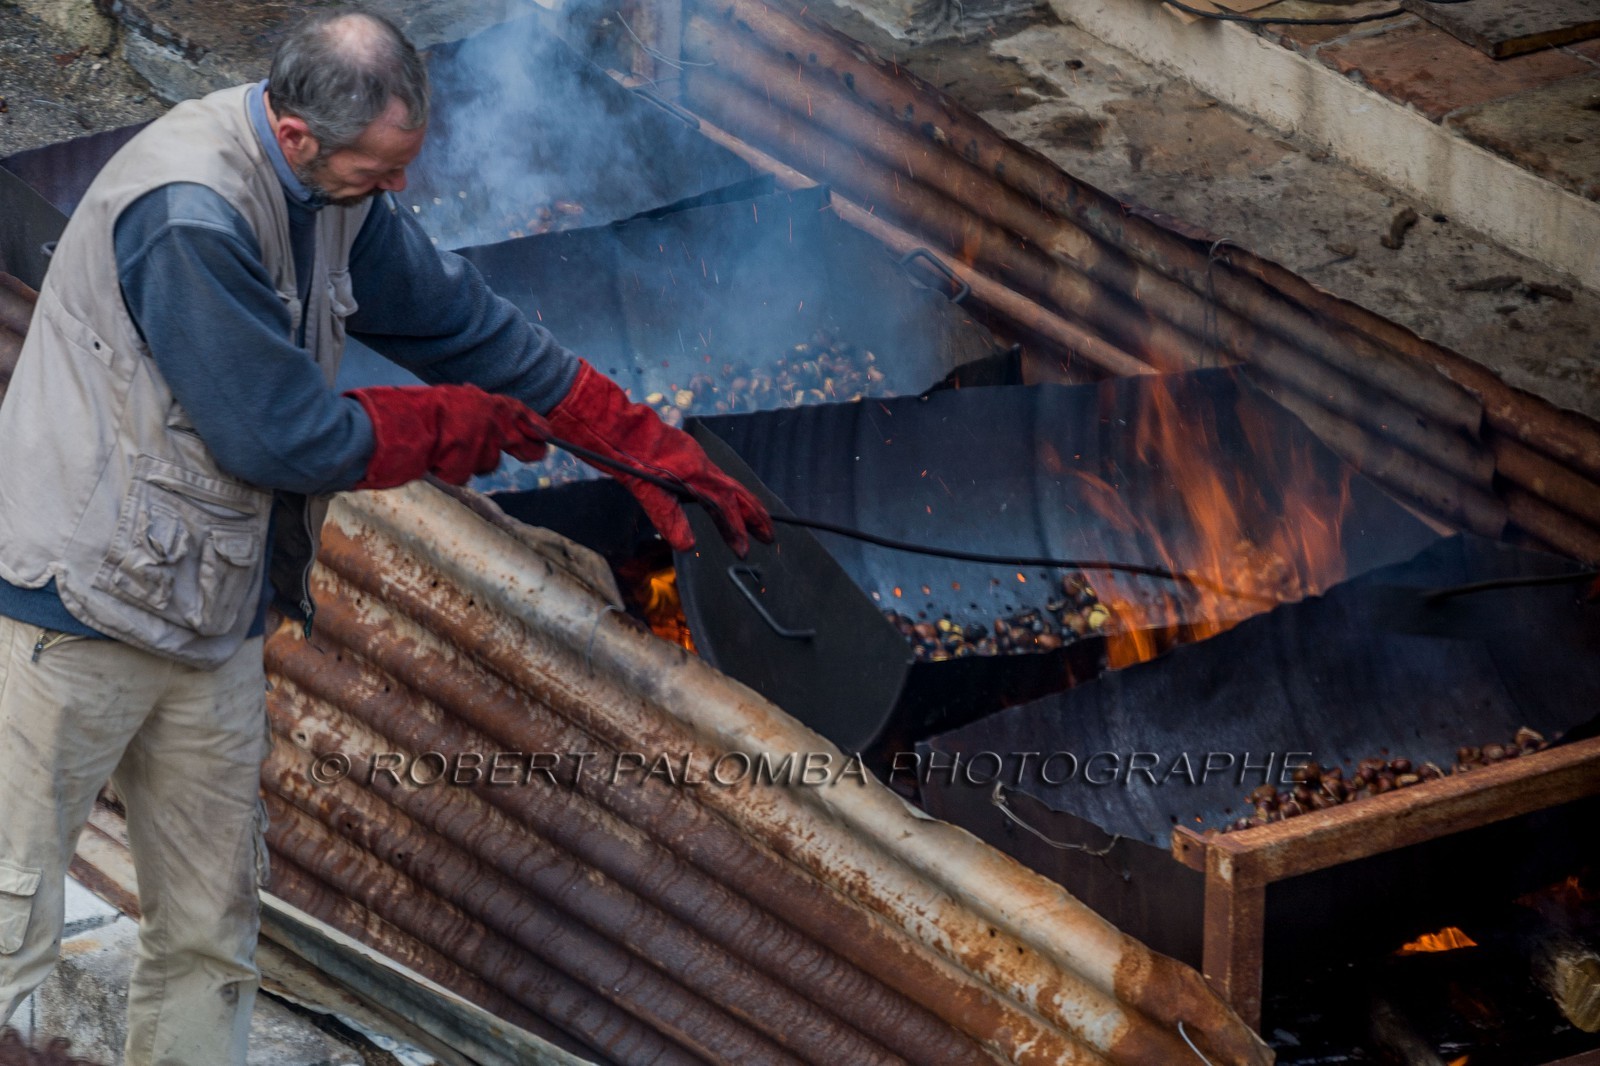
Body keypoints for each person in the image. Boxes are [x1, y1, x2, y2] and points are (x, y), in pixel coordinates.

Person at [0, 10, 770, 1064]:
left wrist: (632, 440)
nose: (396, 188)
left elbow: (462, 321)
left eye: (402, 165)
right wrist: (464, 423)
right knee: (11, 916)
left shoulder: (336, 188)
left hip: (205, 613)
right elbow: (282, 434)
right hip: (77, 605)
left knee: (211, 935)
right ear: (298, 130)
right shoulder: (189, 215)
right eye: (378, 168)